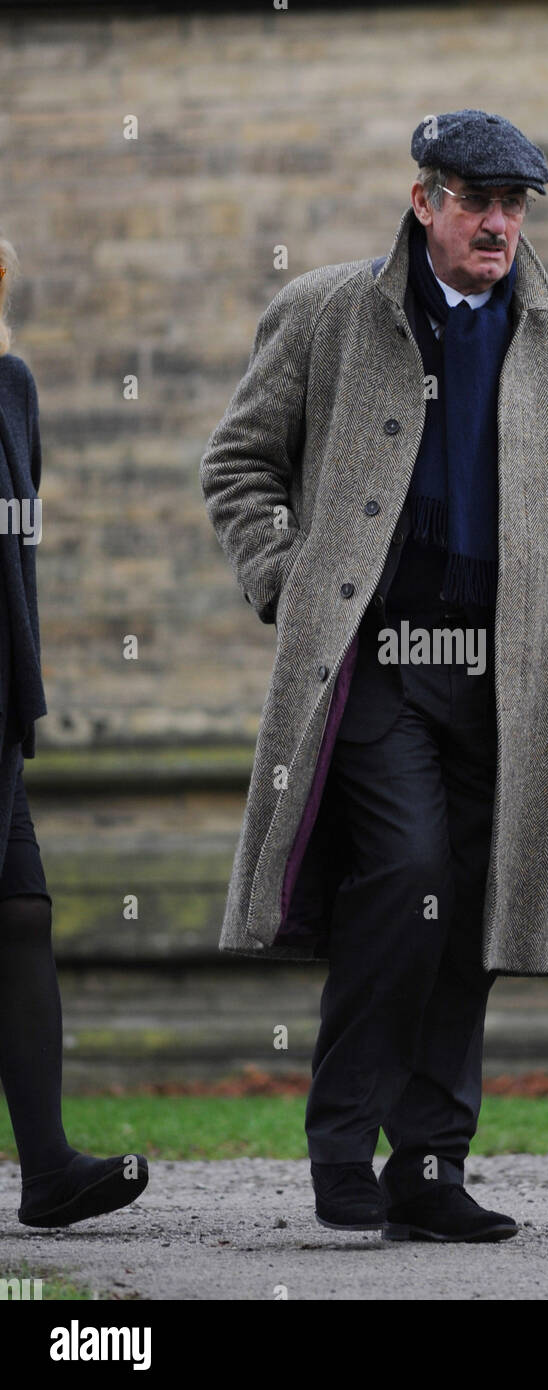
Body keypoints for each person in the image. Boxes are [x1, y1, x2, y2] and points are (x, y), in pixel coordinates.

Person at [200, 109, 548, 1243]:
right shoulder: (326, 313)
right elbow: (239, 462)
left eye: (513, 206)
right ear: (423, 202)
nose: (496, 224)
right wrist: (284, 579)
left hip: (506, 677)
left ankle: (432, 1164)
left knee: (471, 906)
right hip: (378, 663)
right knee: (405, 877)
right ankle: (342, 1139)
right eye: (473, 201)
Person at [0, 235, 149, 1227]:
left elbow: (20, 554)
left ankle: (48, 1169)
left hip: (1, 708)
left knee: (21, 914)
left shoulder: (13, 388)